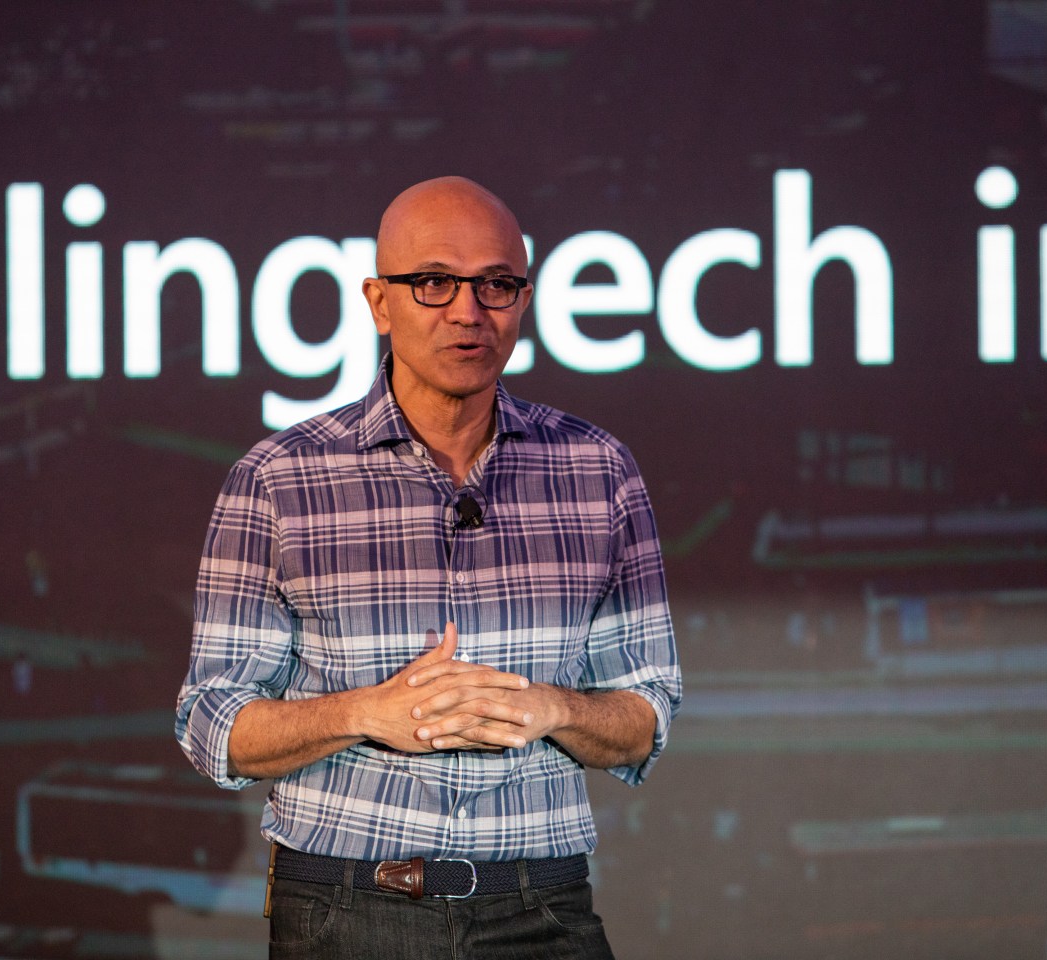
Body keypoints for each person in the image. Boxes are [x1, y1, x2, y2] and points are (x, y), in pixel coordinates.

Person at [175, 176, 681, 959]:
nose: (468, 312)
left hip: (541, 905)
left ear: (525, 299)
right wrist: (362, 714)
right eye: (435, 282)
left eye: (497, 285)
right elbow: (213, 723)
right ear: (380, 302)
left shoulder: (598, 471)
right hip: (346, 905)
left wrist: (554, 709)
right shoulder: (279, 477)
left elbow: (648, 711)